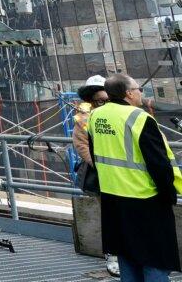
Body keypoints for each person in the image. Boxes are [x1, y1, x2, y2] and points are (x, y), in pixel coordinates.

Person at [87, 74, 182, 282]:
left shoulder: (96, 116)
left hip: (112, 198)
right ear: (128, 93)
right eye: (139, 89)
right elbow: (159, 164)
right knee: (155, 259)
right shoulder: (139, 118)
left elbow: (95, 154)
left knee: (127, 256)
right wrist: (169, 196)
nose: (141, 92)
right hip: (145, 200)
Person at [73, 74, 118, 277]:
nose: (103, 102)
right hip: (103, 175)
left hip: (125, 175)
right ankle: (113, 254)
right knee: (109, 214)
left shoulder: (118, 112)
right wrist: (99, 165)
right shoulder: (85, 118)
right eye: (99, 99)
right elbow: (81, 145)